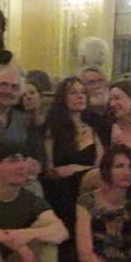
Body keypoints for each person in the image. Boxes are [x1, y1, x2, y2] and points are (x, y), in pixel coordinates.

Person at [40, 76, 102, 243]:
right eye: (73, 93)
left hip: (88, 186)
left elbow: (100, 168)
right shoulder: (52, 128)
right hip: (60, 186)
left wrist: (76, 168)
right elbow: (50, 170)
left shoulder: (92, 130)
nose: (80, 96)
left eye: (83, 92)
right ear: (63, 98)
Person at [78, 66, 111, 144]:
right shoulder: (79, 119)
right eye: (91, 82)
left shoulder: (116, 114)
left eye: (101, 81)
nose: (98, 86)